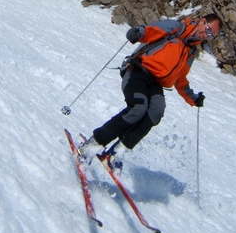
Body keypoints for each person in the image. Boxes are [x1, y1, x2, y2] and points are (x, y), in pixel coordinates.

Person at [80, 14, 223, 167]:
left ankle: (117, 153)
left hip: (156, 83)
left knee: (156, 111)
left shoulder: (191, 52)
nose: (206, 36)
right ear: (202, 21)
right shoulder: (176, 28)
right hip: (138, 70)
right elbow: (153, 29)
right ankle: (92, 145)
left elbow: (180, 79)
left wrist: (193, 98)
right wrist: (139, 32)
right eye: (207, 30)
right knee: (138, 107)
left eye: (210, 36)